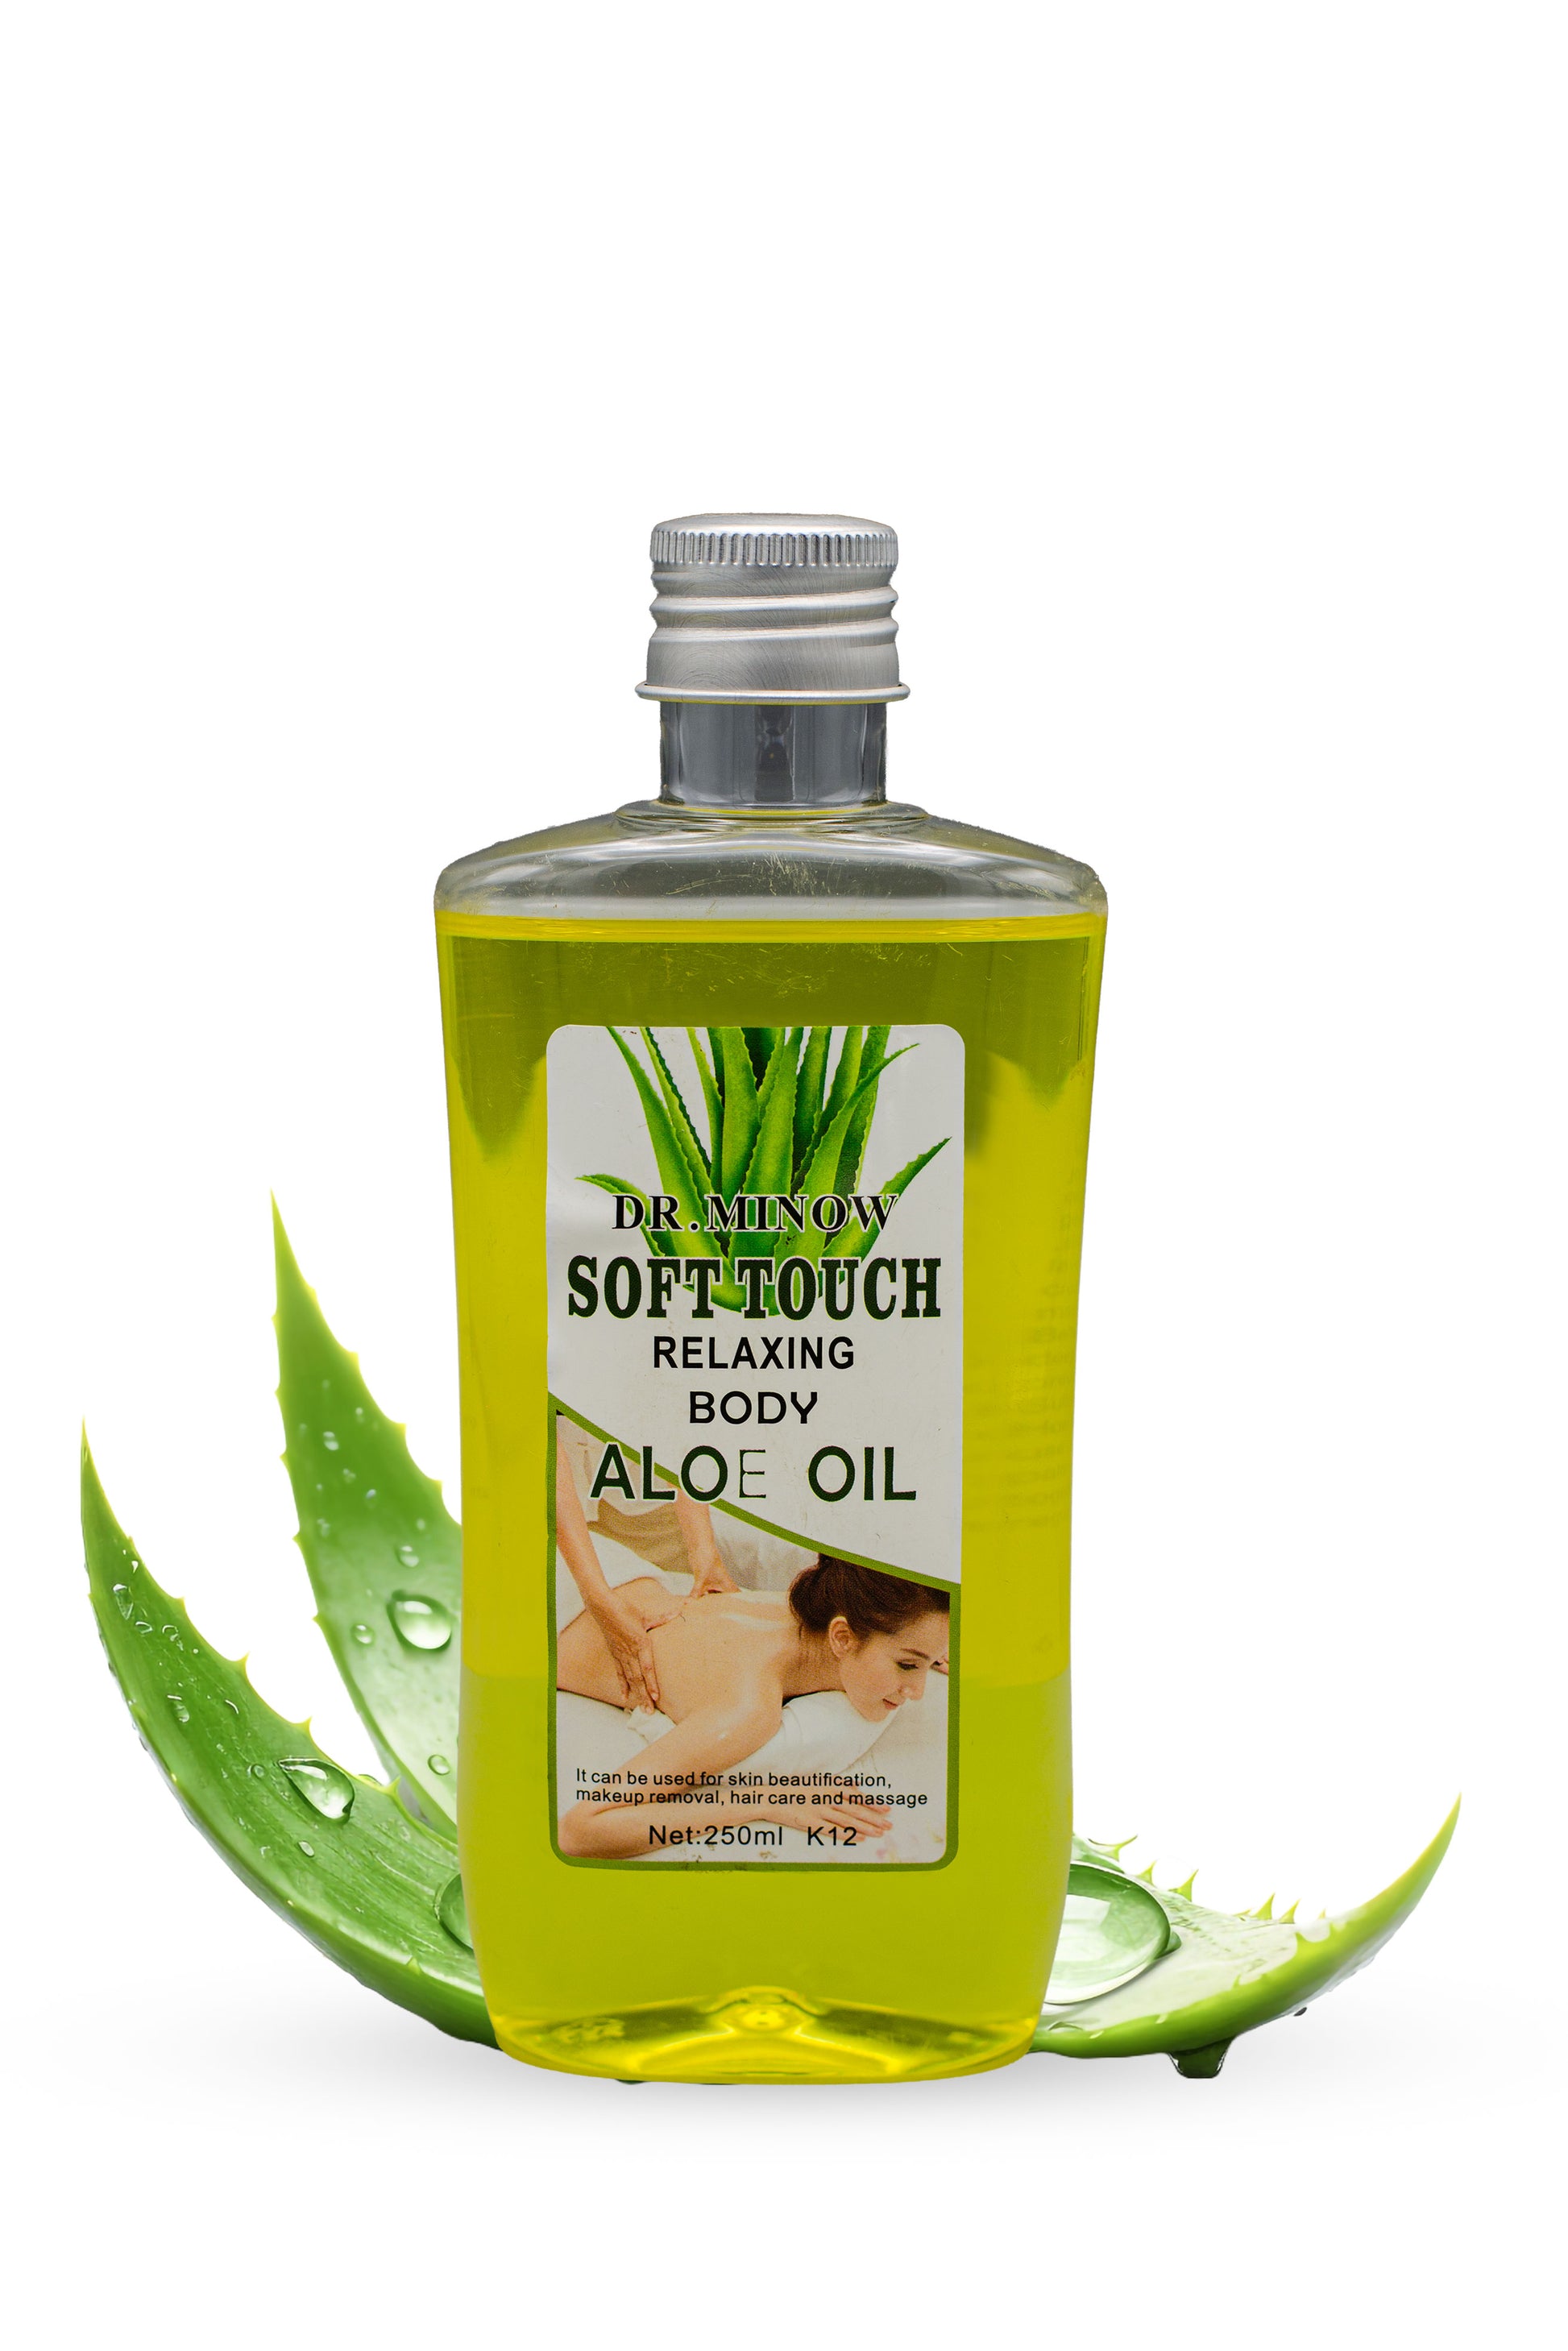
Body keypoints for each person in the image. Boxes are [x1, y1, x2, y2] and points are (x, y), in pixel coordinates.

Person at [556, 1557, 950, 1860]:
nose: (918, 1691)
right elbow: (580, 1830)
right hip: (552, 1604)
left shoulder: (810, 1606)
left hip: (615, 1568)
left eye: (928, 1663)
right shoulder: (749, 1709)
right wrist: (762, 1800)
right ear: (843, 1638)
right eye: (907, 1665)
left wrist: (923, 1652)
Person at [555, 1423, 736, 1711]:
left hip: (648, 1503)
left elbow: (679, 1415)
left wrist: (705, 1554)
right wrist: (597, 1597)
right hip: (555, 1508)